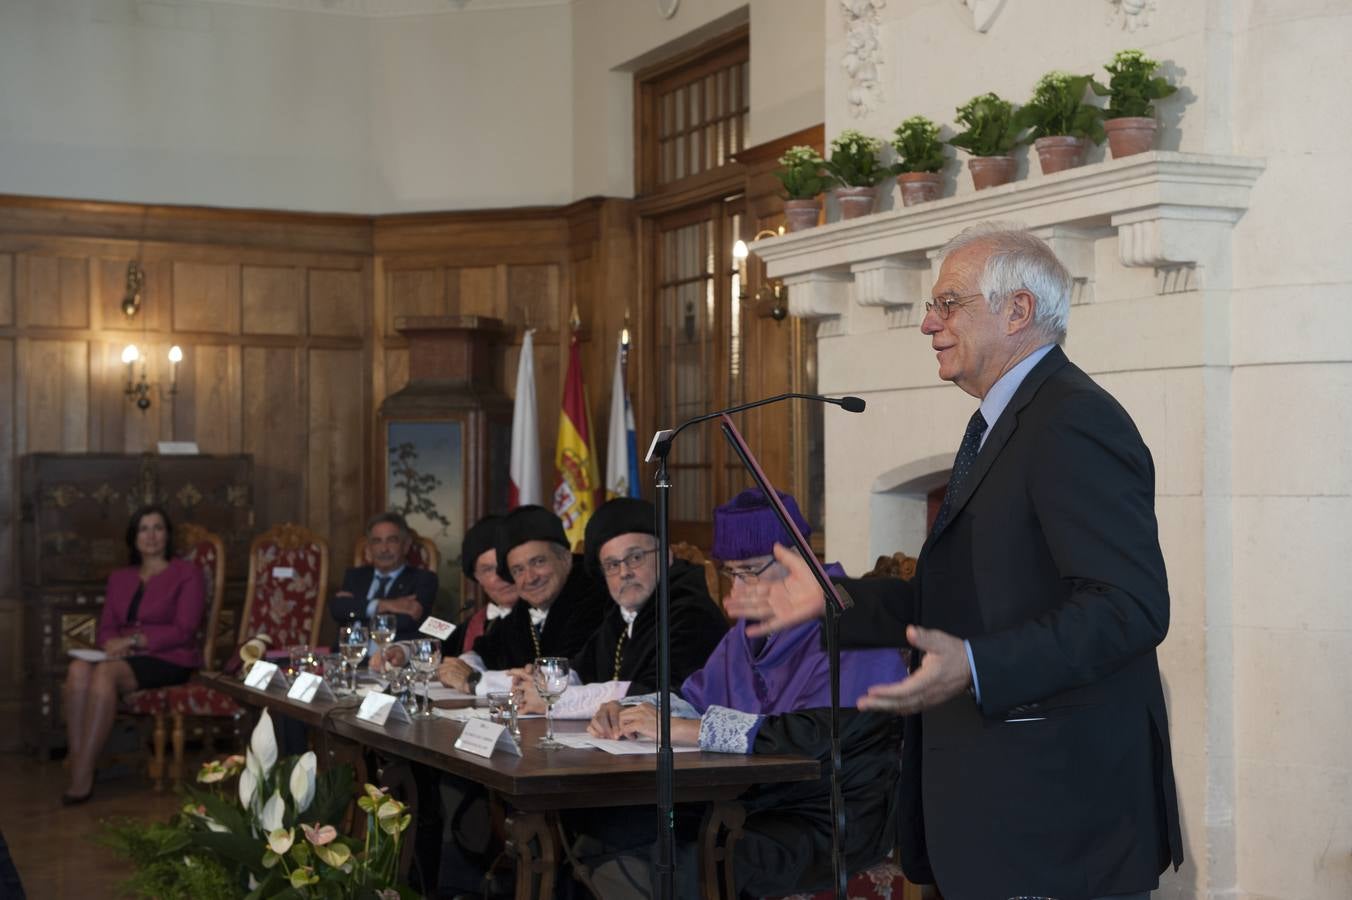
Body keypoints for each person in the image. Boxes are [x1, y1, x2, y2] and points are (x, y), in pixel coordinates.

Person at [750, 222, 1184, 899]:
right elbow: (961, 601)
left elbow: (1128, 606)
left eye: (948, 304)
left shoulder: (1072, 421)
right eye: (931, 305)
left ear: (1018, 311)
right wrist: (837, 600)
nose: (928, 323)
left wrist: (980, 666)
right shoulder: (1003, 420)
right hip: (995, 816)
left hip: (1055, 820)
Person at [572, 488, 909, 898]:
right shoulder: (747, 629)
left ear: (797, 558)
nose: (740, 587)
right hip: (752, 800)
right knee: (606, 832)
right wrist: (631, 709)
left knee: (693, 860)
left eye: (750, 570)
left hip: (828, 816)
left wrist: (686, 730)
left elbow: (815, 735)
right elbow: (697, 697)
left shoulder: (851, 619)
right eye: (733, 573)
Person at [511, 496, 727, 715]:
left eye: (635, 557)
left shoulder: (690, 612)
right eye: (612, 565)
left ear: (666, 556)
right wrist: (543, 681)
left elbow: (660, 697)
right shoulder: (622, 615)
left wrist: (553, 700)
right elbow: (581, 670)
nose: (624, 573)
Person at [61, 504, 206, 804]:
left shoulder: (186, 574)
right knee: (77, 668)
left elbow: (185, 629)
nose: (151, 535)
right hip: (122, 657)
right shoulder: (120, 578)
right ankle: (81, 763)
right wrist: (113, 644)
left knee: (104, 673)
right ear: (133, 537)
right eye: (143, 528)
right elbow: (106, 630)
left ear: (167, 535)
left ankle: (82, 772)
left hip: (170, 657)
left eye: (158, 528)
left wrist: (135, 641)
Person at [435, 504, 608, 697]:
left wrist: (476, 680)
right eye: (518, 570)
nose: (530, 578)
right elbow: (485, 651)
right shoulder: (525, 607)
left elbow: (564, 678)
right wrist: (464, 666)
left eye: (538, 562)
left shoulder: (593, 595)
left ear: (565, 559)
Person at [330, 512, 437, 644]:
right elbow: (338, 609)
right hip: (349, 658)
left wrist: (358, 608)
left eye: (391, 540)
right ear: (368, 548)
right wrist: (384, 605)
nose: (384, 549)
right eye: (377, 541)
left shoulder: (423, 579)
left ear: (406, 545)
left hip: (393, 660)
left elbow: (408, 621)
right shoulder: (355, 576)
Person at [443, 515, 519, 658]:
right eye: (488, 569)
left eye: (506, 565)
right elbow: (442, 648)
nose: (500, 577)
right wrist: (404, 650)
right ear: (477, 578)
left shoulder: (545, 618)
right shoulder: (476, 623)